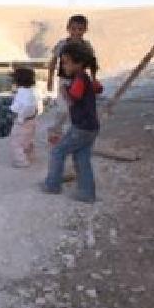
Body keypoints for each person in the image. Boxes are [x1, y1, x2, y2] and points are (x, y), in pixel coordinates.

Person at [41, 41, 103, 203]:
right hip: (91, 127)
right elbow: (98, 88)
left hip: (81, 127)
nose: (64, 66)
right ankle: (87, 193)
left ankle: (52, 185)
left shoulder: (80, 78)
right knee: (81, 157)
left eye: (66, 63)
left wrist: (64, 91)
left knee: (57, 152)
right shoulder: (85, 77)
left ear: (79, 63)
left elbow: (73, 99)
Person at [46, 15, 97, 139]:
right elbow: (53, 62)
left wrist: (94, 80)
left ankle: (73, 132)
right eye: (73, 29)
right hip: (65, 81)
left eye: (80, 29)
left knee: (77, 108)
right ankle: (55, 130)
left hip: (79, 81)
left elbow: (92, 63)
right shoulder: (62, 44)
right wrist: (50, 79)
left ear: (85, 30)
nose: (76, 32)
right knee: (63, 108)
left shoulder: (86, 46)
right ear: (68, 29)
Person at [9, 68, 38, 168]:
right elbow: (34, 106)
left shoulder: (21, 93)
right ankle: (30, 157)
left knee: (16, 142)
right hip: (31, 120)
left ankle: (21, 161)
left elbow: (25, 106)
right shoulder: (31, 92)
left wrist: (20, 117)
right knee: (27, 140)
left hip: (23, 121)